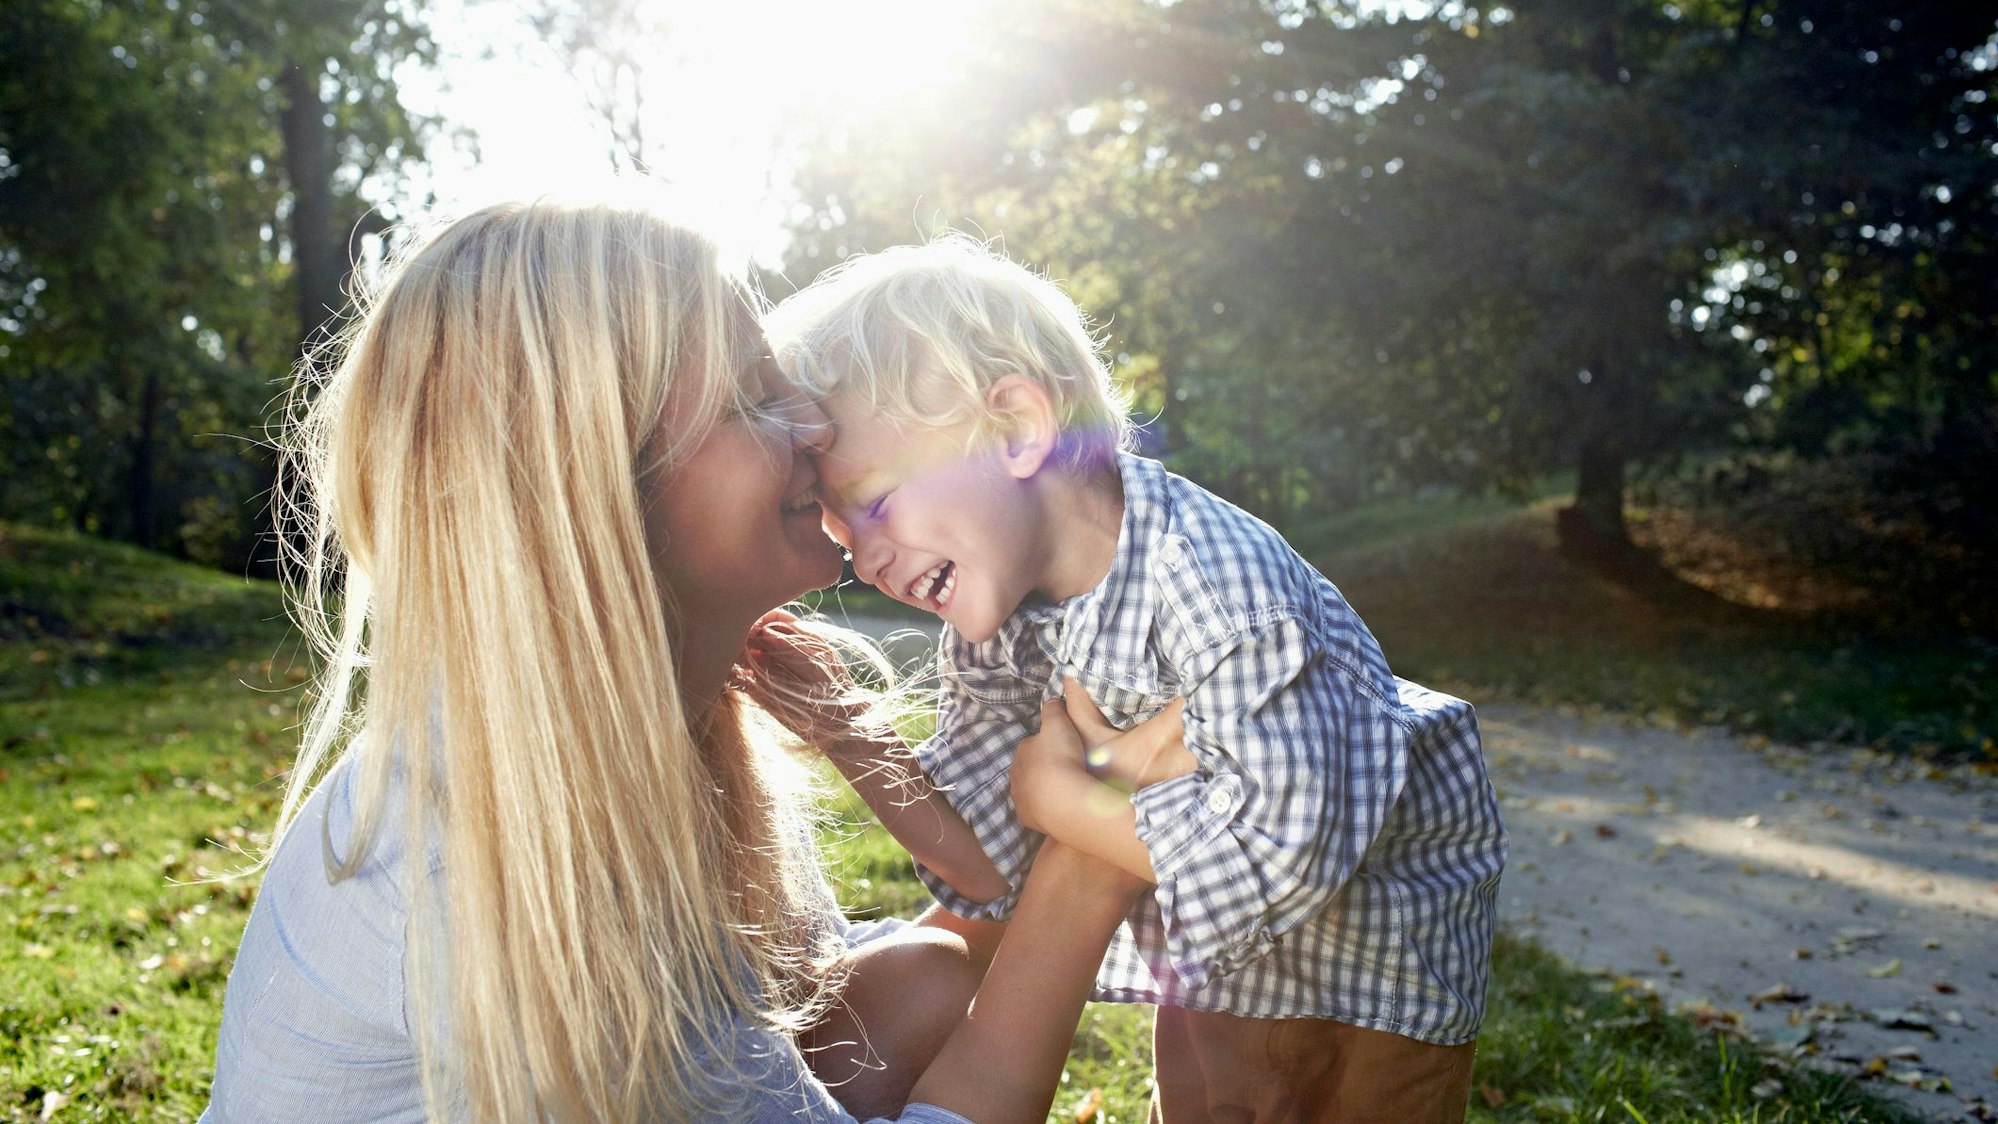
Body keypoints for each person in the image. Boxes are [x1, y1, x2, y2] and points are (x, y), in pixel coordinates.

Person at [201, 190, 1179, 1124]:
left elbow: (813, 1005)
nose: (814, 424)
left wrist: (873, 746)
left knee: (924, 979)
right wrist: (1086, 869)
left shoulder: (664, 731)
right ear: (596, 497)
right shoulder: (497, 845)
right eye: (750, 399)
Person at [766, 235, 1510, 1123]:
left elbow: (1282, 860)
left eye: (879, 505)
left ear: (1016, 430)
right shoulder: (1000, 621)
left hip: (1368, 971)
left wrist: (1068, 807)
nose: (871, 561)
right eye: (849, 541)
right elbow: (985, 861)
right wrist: (846, 725)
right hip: (1213, 971)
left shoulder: (1221, 589)